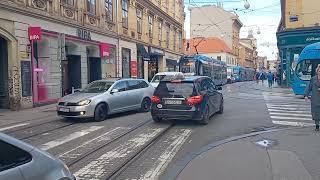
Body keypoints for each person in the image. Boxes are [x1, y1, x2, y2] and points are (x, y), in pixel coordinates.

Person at [304, 65, 320, 131]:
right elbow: (309, 87)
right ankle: (317, 125)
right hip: (315, 98)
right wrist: (306, 95)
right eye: (319, 71)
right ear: (317, 71)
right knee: (316, 112)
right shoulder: (313, 79)